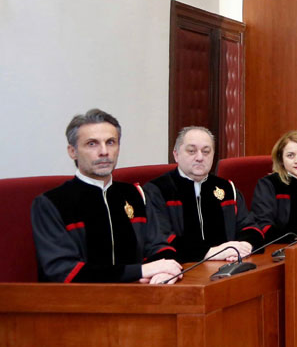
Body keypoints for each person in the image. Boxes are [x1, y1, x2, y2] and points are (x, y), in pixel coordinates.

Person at [31, 109, 182, 284]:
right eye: (92, 144)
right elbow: (63, 271)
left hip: (142, 292)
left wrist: (164, 271)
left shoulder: (135, 195)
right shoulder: (52, 203)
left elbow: (158, 245)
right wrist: (140, 271)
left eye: (110, 142)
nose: (104, 152)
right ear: (72, 151)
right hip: (80, 299)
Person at [145, 126, 263, 263]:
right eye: (192, 151)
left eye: (206, 151)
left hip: (230, 265)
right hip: (184, 269)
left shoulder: (226, 189)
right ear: (176, 155)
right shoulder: (158, 190)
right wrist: (211, 253)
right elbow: (160, 241)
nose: (200, 157)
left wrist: (244, 247)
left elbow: (250, 226)